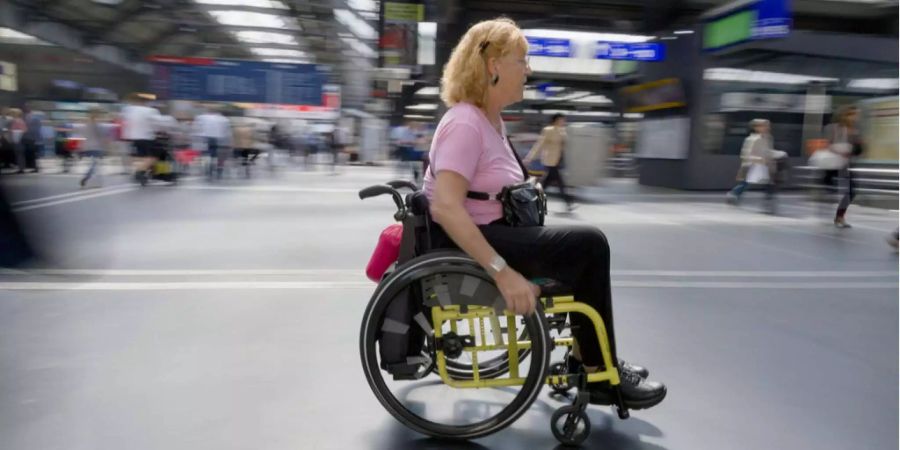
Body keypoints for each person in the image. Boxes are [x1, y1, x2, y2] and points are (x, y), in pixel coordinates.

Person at [421, 18, 666, 409]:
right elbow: (446, 207)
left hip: (492, 231)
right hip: (475, 242)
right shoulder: (466, 123)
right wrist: (504, 273)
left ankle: (588, 358)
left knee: (579, 249)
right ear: (493, 65)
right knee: (589, 244)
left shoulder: (489, 121)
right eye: (522, 60)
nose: (529, 70)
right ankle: (599, 370)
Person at [725, 119, 784, 214]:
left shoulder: (768, 138)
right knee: (745, 183)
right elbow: (746, 154)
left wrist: (777, 154)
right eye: (764, 125)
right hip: (752, 165)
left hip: (765, 165)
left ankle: (768, 201)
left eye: (767, 125)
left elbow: (768, 151)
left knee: (769, 183)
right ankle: (733, 194)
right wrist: (758, 159)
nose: (767, 127)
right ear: (757, 127)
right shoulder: (752, 139)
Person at [524, 113, 576, 212]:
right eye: (562, 120)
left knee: (546, 184)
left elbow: (563, 146)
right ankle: (568, 202)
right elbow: (539, 145)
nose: (563, 122)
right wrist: (529, 158)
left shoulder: (562, 131)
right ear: (555, 120)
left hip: (557, 161)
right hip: (550, 161)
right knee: (560, 183)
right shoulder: (548, 130)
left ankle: (530, 200)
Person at [822, 105, 863, 228]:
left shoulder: (855, 130)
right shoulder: (832, 128)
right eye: (852, 114)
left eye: (856, 115)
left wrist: (858, 146)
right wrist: (840, 151)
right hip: (831, 163)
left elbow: (857, 150)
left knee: (852, 190)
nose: (855, 117)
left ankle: (840, 216)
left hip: (846, 163)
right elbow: (827, 145)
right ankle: (827, 203)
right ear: (844, 115)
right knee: (829, 187)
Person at [120, 94, 161, 181]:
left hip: (132, 137)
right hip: (147, 137)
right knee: (153, 157)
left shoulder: (128, 110)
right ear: (146, 102)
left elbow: (125, 122)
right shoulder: (151, 111)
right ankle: (139, 172)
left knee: (140, 156)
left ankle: (141, 171)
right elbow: (157, 125)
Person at [192, 105, 232, 180]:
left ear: (208, 110)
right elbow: (227, 132)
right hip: (218, 139)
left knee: (205, 155)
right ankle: (215, 170)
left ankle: (207, 170)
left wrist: (196, 140)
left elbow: (197, 129)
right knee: (214, 156)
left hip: (205, 138)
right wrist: (227, 142)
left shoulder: (202, 117)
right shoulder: (223, 119)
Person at [74, 108, 111, 188]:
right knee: (95, 164)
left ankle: (89, 178)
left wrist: (79, 148)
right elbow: (101, 137)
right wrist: (105, 147)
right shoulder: (98, 125)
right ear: (97, 115)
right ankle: (89, 178)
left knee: (93, 164)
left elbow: (81, 136)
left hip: (86, 147)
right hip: (96, 147)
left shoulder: (84, 125)